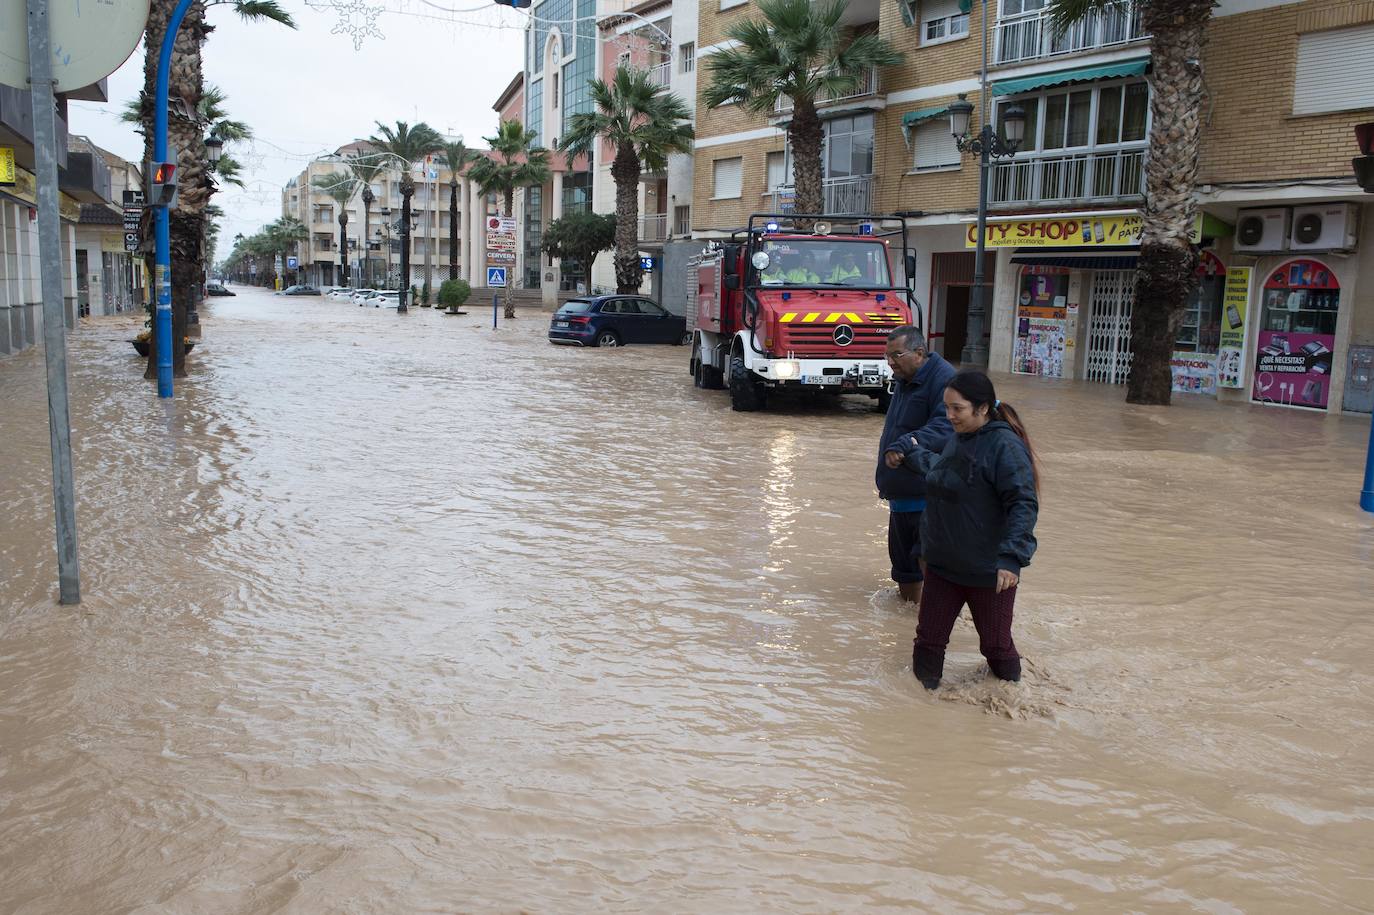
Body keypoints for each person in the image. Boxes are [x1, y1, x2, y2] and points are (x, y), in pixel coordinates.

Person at [884, 370, 1040, 689]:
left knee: (995, 646)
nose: (949, 416)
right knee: (928, 641)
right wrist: (910, 455)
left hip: (988, 572)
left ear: (982, 408)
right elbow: (944, 473)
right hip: (943, 564)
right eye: (947, 407)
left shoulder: (1004, 447)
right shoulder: (960, 438)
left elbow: (1023, 503)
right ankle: (921, 708)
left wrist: (1011, 558)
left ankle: (1013, 700)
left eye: (957, 408)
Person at [875, 327, 956, 606]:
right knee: (904, 572)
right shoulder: (904, 377)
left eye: (896, 355)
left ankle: (938, 626)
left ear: (919, 353)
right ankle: (908, 631)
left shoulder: (944, 380)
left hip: (927, 498)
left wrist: (909, 442)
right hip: (900, 497)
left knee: (931, 567)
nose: (890, 362)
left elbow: (946, 426)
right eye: (887, 356)